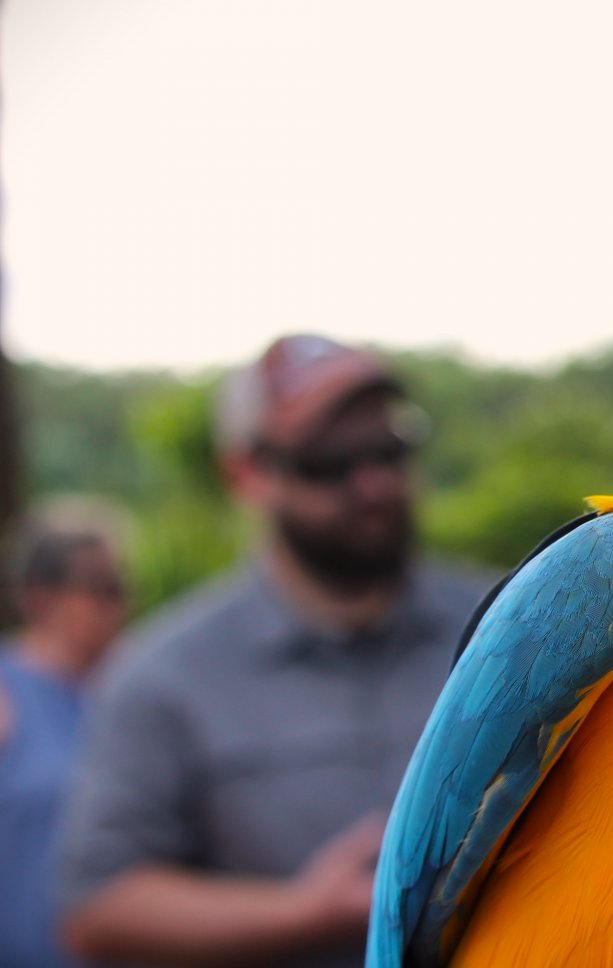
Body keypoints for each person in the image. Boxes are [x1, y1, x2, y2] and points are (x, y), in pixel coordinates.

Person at [57, 334, 490, 968]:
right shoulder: (162, 675)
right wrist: (305, 911)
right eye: (329, 462)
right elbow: (95, 907)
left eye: (388, 451)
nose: (372, 485)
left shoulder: (500, 631)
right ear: (248, 473)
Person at [0, 511, 129, 968]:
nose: (117, 604)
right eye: (101, 588)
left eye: (121, 587)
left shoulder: (128, 692)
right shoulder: (8, 693)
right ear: (40, 597)